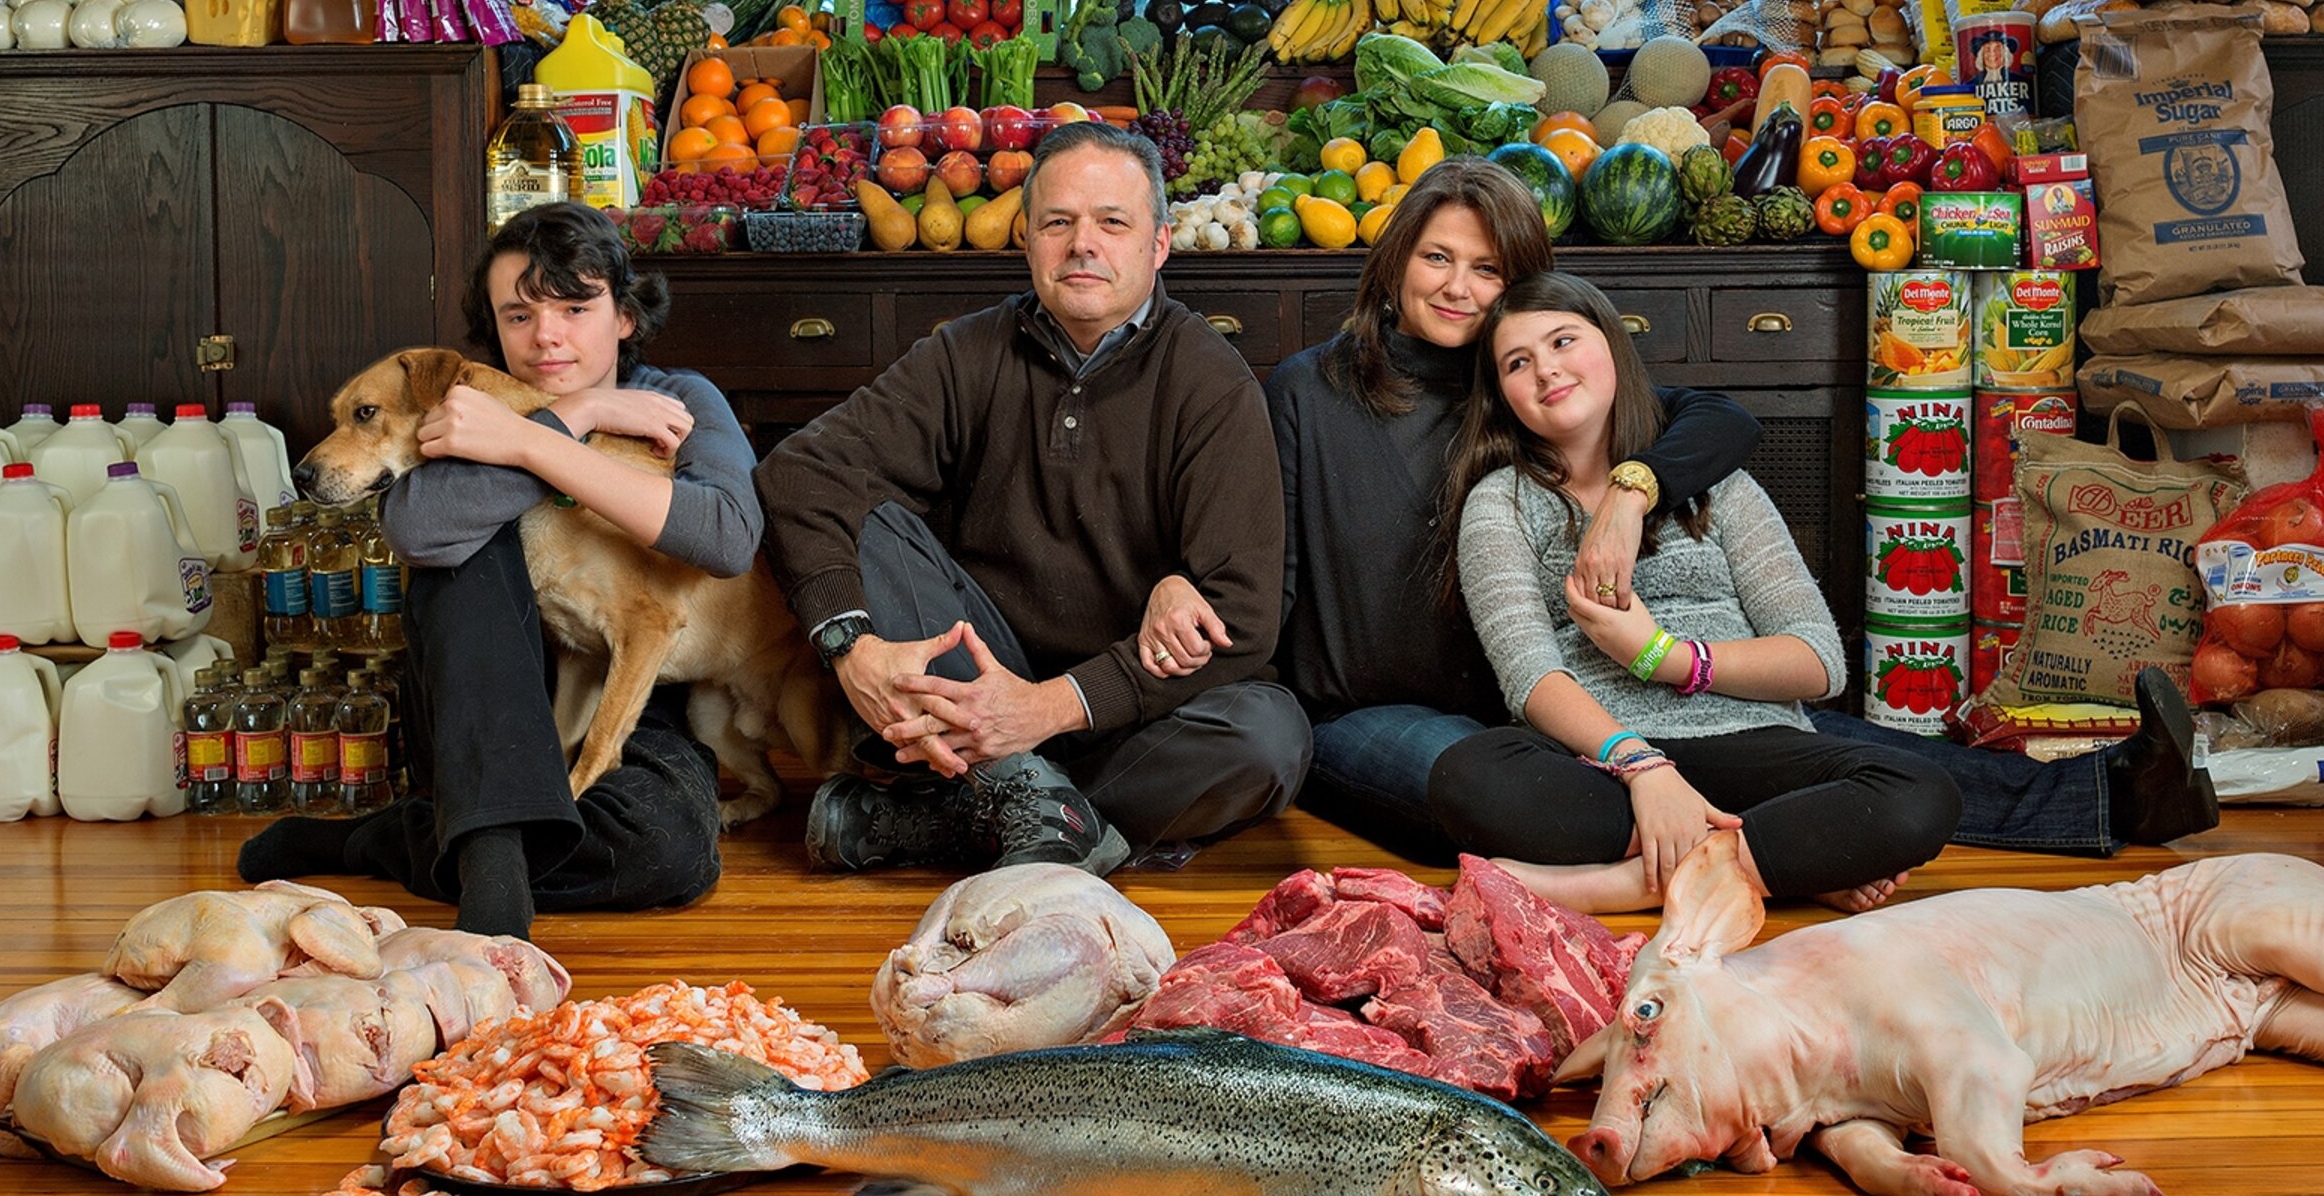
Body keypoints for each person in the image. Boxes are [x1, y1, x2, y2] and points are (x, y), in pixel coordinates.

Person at [1427, 272, 2211, 915]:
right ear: (1503, 395)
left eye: (1562, 340)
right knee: (1469, 775)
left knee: (1918, 792)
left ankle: (1635, 883)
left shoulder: (1716, 487)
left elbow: (1819, 663)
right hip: (1603, 765)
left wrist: (1664, 655)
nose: (1546, 369)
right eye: (1516, 363)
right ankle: (1779, 858)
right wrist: (1643, 767)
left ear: (1613, 349)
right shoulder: (1504, 500)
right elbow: (1531, 677)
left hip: (1755, 741)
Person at [760, 119, 1310, 877]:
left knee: (1267, 738)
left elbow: (1246, 619)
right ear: (1028, 239)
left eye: (1113, 223)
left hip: (1126, 711)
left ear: (1157, 244)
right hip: (978, 669)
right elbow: (800, 472)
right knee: (873, 520)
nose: (1083, 243)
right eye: (1059, 222)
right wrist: (849, 649)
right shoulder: (967, 352)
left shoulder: (1212, 383)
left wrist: (1047, 706)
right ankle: (1048, 814)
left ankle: (973, 813)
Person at [238, 203, 757, 938]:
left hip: (640, 700)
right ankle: (492, 870)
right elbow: (419, 529)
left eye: (575, 307)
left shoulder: (681, 398)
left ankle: (389, 840)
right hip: (476, 702)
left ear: (624, 318)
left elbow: (729, 539)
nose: (546, 333)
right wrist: (569, 416)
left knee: (664, 850)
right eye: (518, 314)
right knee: (463, 550)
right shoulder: (460, 401)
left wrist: (540, 438)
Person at [1219, 159, 1762, 859]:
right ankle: (1739, 855)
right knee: (1531, 797)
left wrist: (1631, 494)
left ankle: (1720, 848)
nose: (1456, 287)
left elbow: (1723, 419)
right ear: (1397, 259)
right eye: (1437, 257)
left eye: (1487, 269)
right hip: (1368, 717)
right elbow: (1275, 579)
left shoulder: (1527, 383)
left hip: (1534, 704)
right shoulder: (1307, 389)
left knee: (1663, 768)